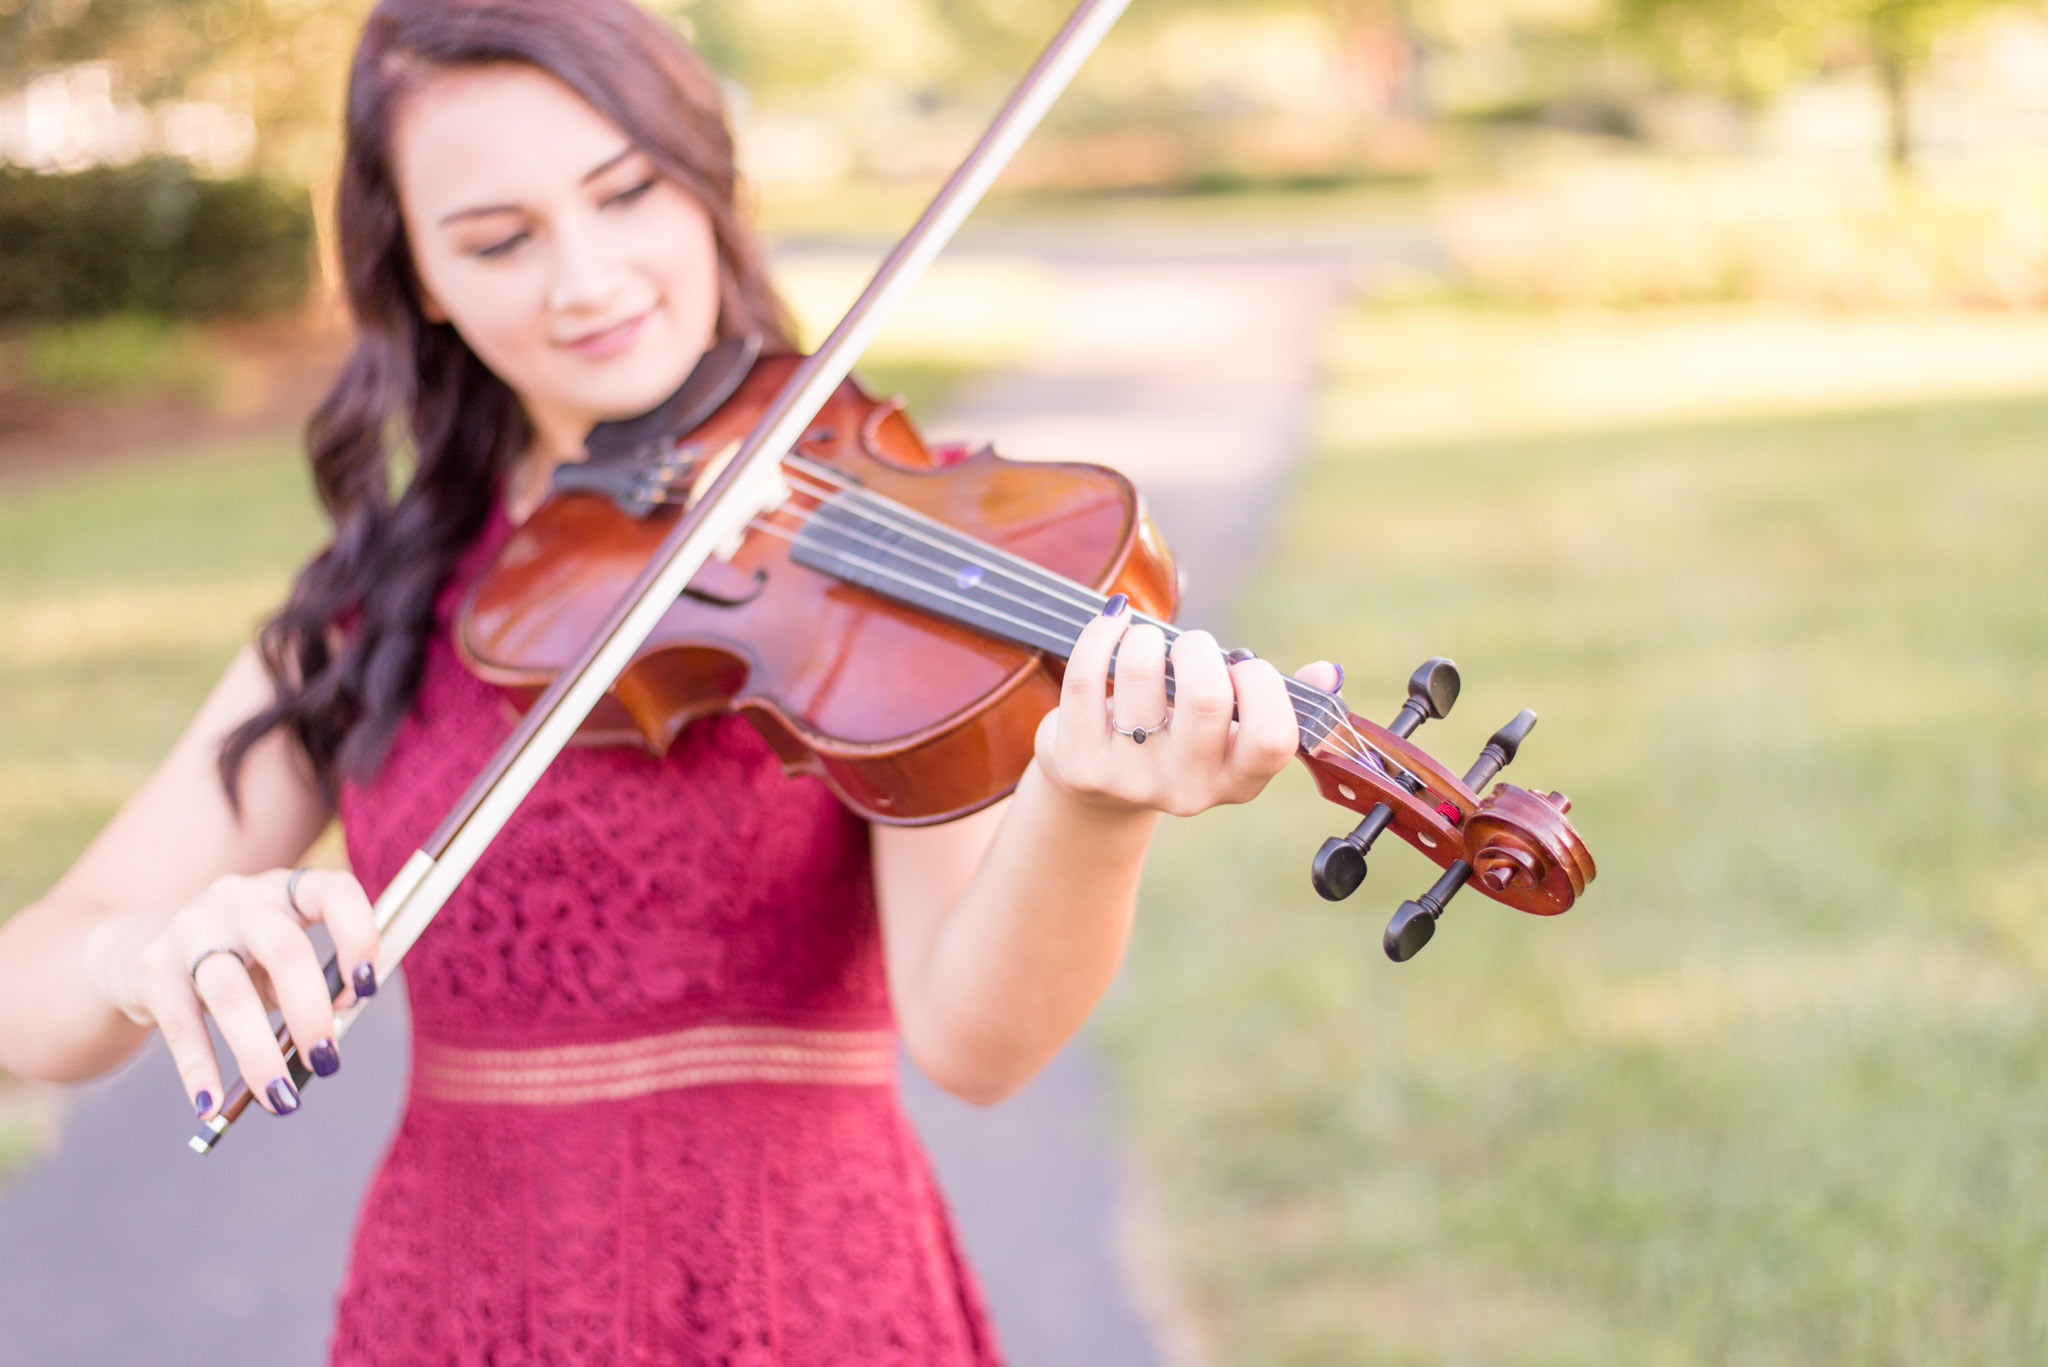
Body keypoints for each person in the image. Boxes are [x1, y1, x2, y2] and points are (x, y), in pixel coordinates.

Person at [0, 1, 1334, 1361]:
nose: (586, 279)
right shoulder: (374, 615)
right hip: (466, 1304)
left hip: (808, 1295)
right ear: (419, 280)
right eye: (499, 239)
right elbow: (23, 997)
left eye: (626, 192)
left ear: (706, 186)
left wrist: (1089, 811)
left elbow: (973, 1041)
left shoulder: (896, 551)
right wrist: (134, 953)